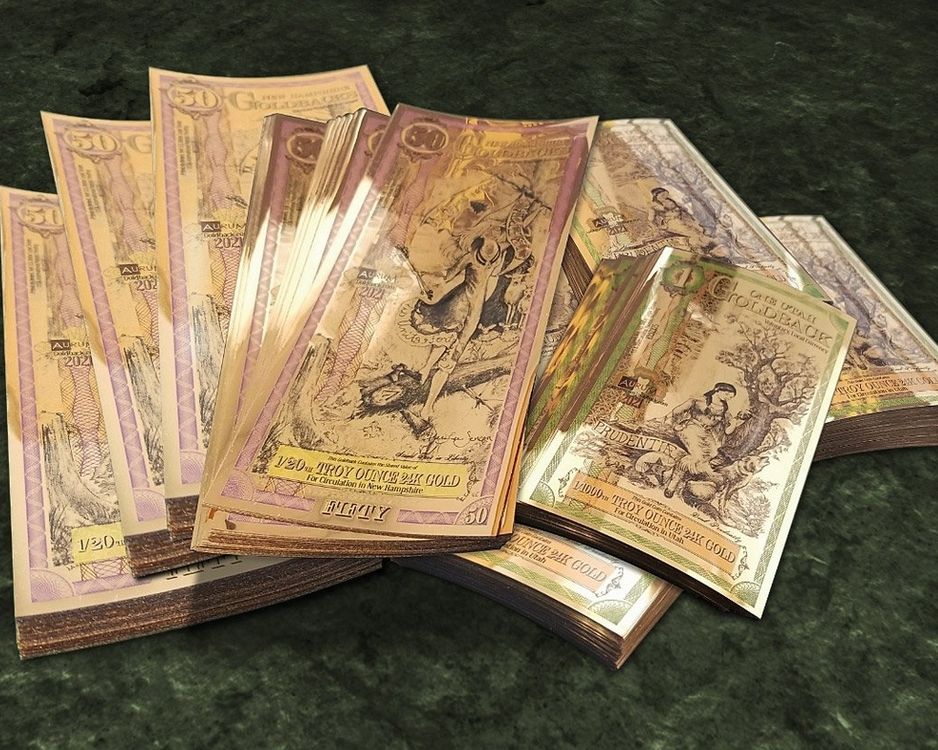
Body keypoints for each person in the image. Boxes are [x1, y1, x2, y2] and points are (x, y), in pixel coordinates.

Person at [662, 382, 743, 500]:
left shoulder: (724, 409)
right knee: (697, 456)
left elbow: (728, 431)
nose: (728, 398)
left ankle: (687, 477)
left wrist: (735, 421)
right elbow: (677, 411)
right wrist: (676, 425)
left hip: (706, 433)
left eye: (730, 397)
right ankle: (672, 484)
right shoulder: (699, 400)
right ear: (717, 390)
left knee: (713, 454)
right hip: (691, 427)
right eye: (727, 394)